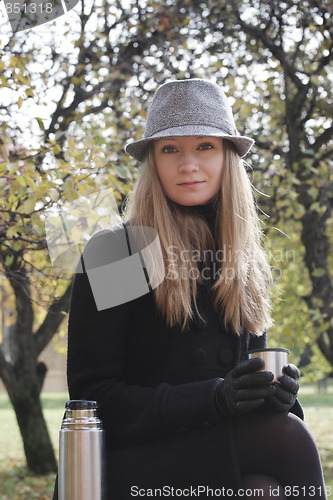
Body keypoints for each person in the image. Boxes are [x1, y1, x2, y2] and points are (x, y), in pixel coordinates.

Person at [53, 79, 327, 499]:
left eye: (204, 146)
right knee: (286, 440)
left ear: (227, 158)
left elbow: (243, 389)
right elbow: (95, 400)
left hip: (217, 454)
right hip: (129, 463)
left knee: (265, 485)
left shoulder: (241, 259)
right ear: (153, 162)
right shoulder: (123, 251)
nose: (187, 164)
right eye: (169, 149)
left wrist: (275, 396)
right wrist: (214, 399)